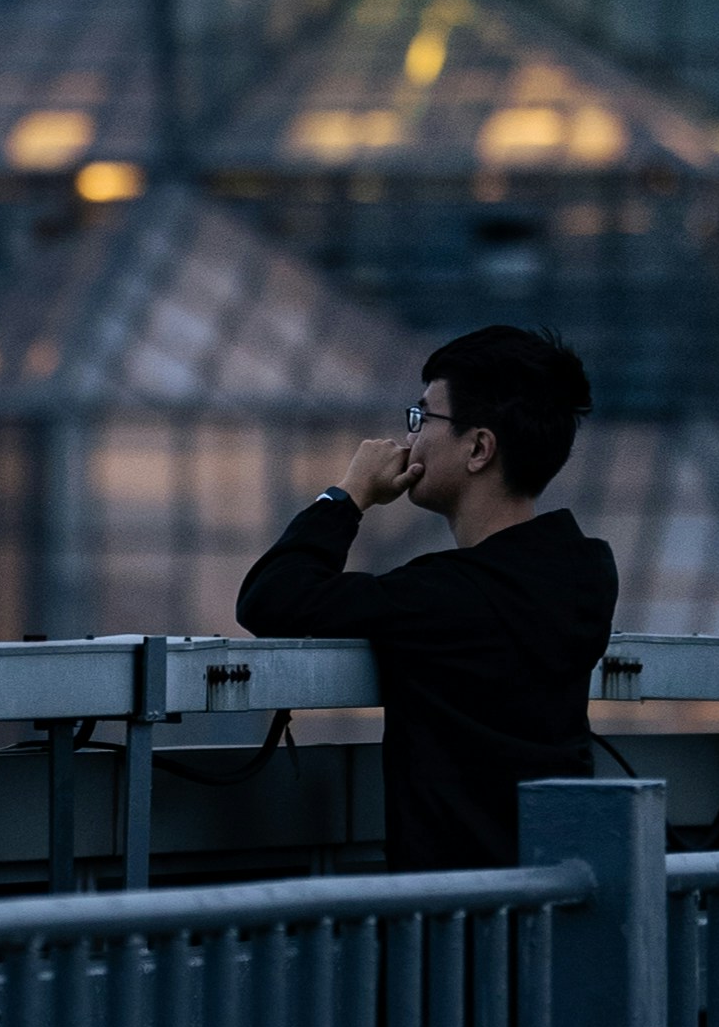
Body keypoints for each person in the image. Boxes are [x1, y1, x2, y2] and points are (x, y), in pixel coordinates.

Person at [236, 325, 618, 870]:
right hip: (557, 891)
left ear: (479, 448)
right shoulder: (583, 577)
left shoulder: (446, 597)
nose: (409, 439)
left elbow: (270, 598)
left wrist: (347, 496)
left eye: (422, 418)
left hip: (455, 919)